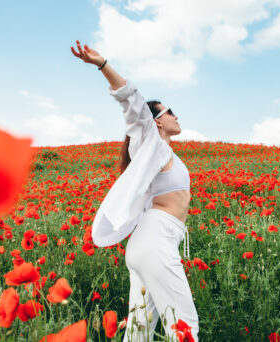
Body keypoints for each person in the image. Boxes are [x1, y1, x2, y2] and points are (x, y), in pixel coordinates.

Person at [71, 40, 199, 341]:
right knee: (184, 325)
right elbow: (132, 103)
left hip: (151, 242)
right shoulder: (150, 144)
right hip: (155, 240)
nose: (176, 116)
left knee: (139, 332)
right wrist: (103, 66)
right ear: (156, 122)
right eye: (171, 112)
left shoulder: (162, 155)